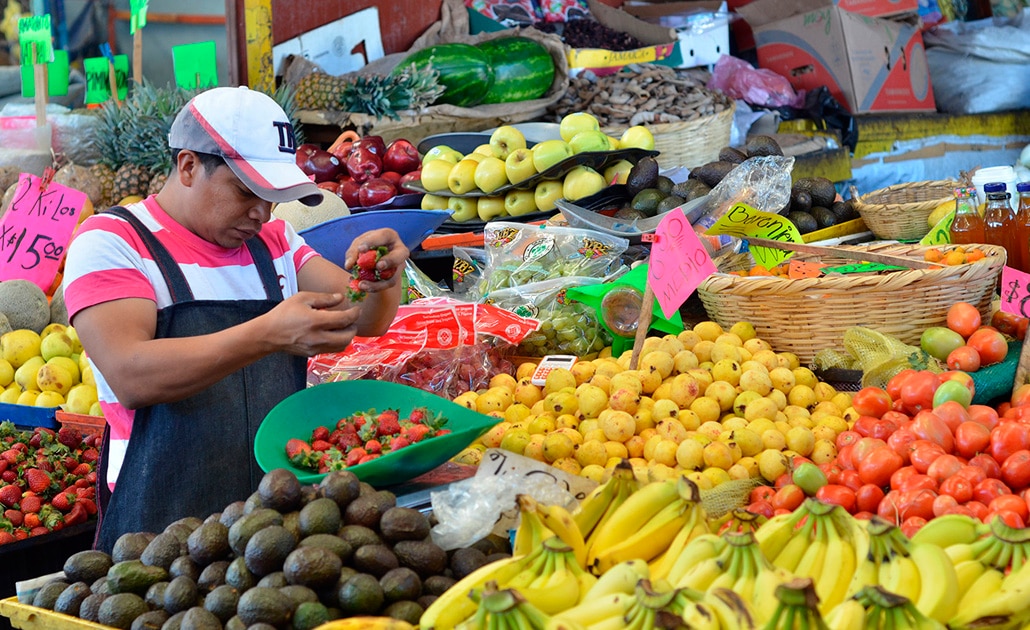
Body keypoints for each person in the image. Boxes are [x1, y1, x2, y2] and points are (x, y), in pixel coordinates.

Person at [62, 86, 408, 551]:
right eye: (246, 191)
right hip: (159, 527)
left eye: (272, 196)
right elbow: (130, 373)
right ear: (188, 166)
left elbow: (362, 317)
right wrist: (267, 334)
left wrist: (380, 273)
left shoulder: (275, 242)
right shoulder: (112, 241)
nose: (260, 212)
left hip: (272, 518)